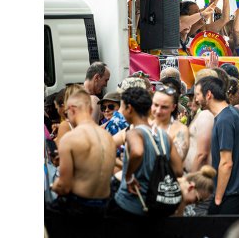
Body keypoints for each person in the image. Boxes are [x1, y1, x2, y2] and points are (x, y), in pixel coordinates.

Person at [112, 87, 183, 216]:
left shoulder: (134, 132)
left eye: (122, 108)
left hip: (130, 203)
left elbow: (138, 152)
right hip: (156, 205)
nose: (121, 112)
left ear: (129, 108)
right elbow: (178, 170)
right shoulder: (164, 136)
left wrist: (128, 176)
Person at [195, 76, 239, 214]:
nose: (196, 99)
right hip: (236, 193)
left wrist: (218, 198)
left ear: (208, 95)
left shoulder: (224, 120)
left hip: (229, 195)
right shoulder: (232, 113)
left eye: (197, 94)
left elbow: (226, 163)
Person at [50, 89, 116, 216]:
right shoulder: (107, 136)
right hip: (105, 206)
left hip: (79, 206)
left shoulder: (70, 138)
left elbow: (64, 186)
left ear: (72, 110)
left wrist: (53, 186)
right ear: (90, 110)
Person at [150, 84, 190, 161]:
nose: (158, 111)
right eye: (156, 105)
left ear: (173, 107)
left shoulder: (181, 130)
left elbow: (177, 161)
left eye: (164, 107)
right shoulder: (145, 125)